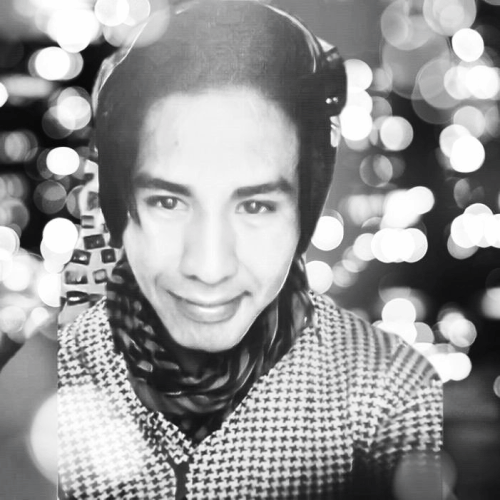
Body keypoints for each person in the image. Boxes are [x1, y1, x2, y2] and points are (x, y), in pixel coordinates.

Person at [58, 1, 443, 498]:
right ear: (117, 202)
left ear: (306, 207)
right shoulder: (42, 385)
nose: (209, 267)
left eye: (256, 206)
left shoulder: (386, 388)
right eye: (168, 202)